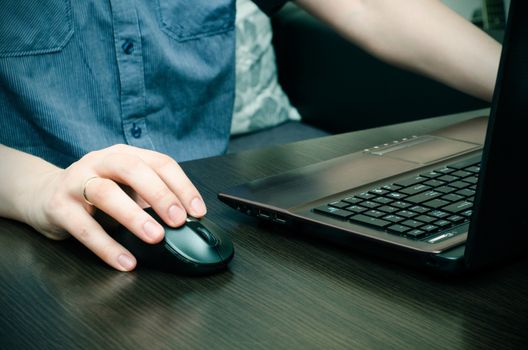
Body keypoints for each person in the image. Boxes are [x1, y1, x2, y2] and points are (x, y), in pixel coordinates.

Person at [0, 0, 501, 271]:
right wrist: (36, 190)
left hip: (202, 203)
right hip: (34, 219)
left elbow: (373, 7)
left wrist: (515, 82)